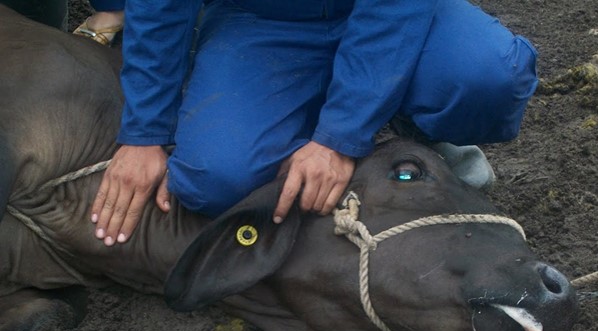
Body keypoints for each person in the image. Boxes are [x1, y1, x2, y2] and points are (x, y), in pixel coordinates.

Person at [91, 0, 538, 247]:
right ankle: (297, 116)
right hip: (262, 19)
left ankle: (415, 127)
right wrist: (146, 132)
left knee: (488, 77)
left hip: (393, 10)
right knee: (213, 179)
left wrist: (340, 137)